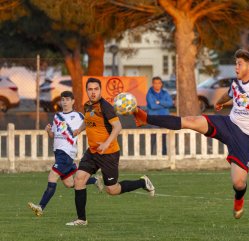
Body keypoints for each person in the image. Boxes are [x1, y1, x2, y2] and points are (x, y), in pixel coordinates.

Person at [133, 49, 249, 219]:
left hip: (245, 137)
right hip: (228, 124)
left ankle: (239, 199)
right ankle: (145, 118)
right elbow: (228, 94)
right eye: (235, 63)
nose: (236, 67)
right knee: (191, 121)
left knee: (238, 183)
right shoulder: (236, 83)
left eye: (239, 63)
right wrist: (219, 103)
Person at [65, 78, 155, 226]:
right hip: (93, 151)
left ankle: (142, 182)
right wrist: (79, 130)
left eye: (95, 89)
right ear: (86, 90)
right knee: (79, 180)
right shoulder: (88, 105)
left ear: (100, 90)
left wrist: (106, 144)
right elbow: (88, 121)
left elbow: (118, 126)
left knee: (112, 190)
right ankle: (81, 219)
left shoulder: (105, 107)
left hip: (109, 153)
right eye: (90, 89)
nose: (93, 92)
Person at [28, 91, 103, 217]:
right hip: (58, 153)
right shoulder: (57, 116)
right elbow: (54, 135)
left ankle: (40, 207)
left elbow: (89, 122)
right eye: (63, 99)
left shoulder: (77, 115)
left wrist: (79, 130)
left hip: (67, 154)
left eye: (67, 99)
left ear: (73, 101)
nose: (64, 102)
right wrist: (48, 131)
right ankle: (94, 180)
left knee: (52, 177)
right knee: (70, 184)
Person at [146, 76, 174, 155]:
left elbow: (170, 103)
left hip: (164, 117)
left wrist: (159, 102)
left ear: (161, 84)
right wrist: (164, 104)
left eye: (159, 83)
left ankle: (164, 154)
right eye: (155, 83)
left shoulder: (165, 93)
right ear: (152, 84)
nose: (157, 85)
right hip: (154, 118)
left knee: (164, 137)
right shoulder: (149, 94)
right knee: (153, 137)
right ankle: (151, 154)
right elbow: (152, 106)